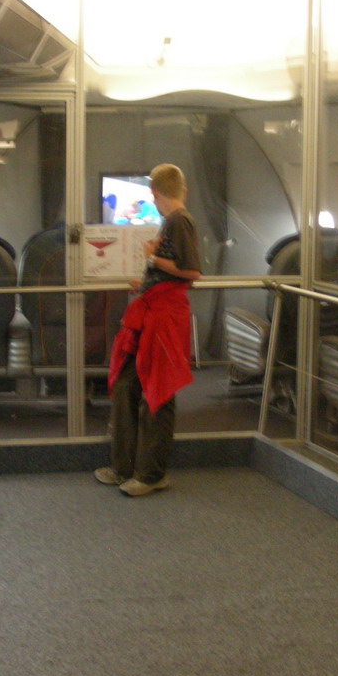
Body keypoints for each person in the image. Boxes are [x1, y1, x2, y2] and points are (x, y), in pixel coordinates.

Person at [94, 164, 202, 496]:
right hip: (154, 312)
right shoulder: (174, 222)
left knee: (158, 394)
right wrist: (145, 283)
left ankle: (151, 474)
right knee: (127, 386)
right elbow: (176, 271)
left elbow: (191, 271)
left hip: (164, 320)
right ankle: (124, 467)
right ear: (182, 190)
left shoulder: (179, 221)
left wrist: (151, 260)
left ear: (154, 194)